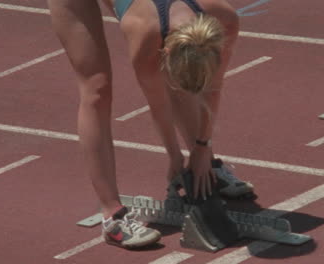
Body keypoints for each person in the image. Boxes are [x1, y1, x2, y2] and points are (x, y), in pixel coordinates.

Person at [47, 0, 253, 249]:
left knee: (185, 90)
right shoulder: (144, 33)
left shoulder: (224, 18)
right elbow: (158, 104)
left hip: (157, 15)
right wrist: (174, 157)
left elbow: (213, 88)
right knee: (96, 88)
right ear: (165, 51)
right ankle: (113, 217)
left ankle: (208, 164)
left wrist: (202, 148)